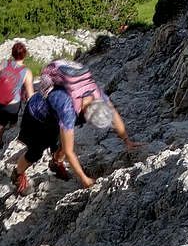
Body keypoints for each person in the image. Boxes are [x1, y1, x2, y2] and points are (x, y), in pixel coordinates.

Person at [10, 64, 141, 194]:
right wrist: (84, 178)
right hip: (37, 115)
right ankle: (17, 174)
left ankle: (56, 163)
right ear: (85, 114)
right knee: (36, 151)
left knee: (62, 142)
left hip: (55, 113)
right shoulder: (68, 109)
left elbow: (113, 114)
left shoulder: (97, 96)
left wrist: (126, 140)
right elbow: (69, 151)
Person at [0, 41, 34, 154]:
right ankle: (9, 140)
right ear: (24, 55)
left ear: (12, 54)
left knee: (0, 123)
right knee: (13, 122)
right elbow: (30, 95)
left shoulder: (4, 63)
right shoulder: (27, 72)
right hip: (12, 105)